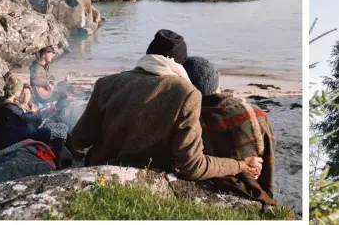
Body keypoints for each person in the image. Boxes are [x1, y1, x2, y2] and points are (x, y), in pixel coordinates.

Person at [72, 29, 262, 181]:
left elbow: (80, 139)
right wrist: (241, 166)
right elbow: (192, 166)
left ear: (148, 55)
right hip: (142, 179)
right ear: (181, 64)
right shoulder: (187, 94)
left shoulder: (106, 83)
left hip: (98, 170)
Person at [183, 56, 276, 206]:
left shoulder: (192, 120)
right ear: (217, 81)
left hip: (217, 188)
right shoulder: (257, 114)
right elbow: (268, 166)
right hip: (258, 192)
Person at [0, 76, 81, 169]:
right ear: (16, 92)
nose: (24, 94)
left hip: (31, 129)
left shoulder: (13, 104)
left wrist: (42, 113)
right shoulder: (10, 107)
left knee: (63, 127)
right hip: (27, 134)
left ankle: (72, 152)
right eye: (22, 91)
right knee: (61, 133)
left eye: (28, 93)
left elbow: (32, 119)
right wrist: (33, 113)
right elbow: (24, 120)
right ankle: (58, 160)